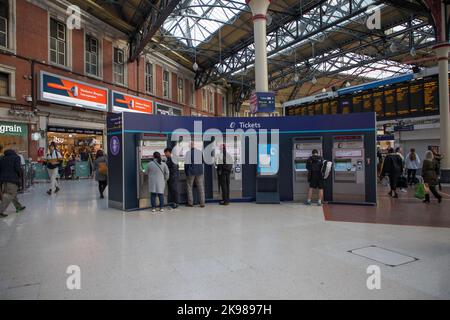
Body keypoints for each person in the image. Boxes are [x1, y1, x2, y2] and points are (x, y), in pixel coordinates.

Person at [0, 149, 26, 217]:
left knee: (12, 194)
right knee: (9, 195)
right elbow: (17, 168)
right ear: (14, 152)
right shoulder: (16, 157)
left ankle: (18, 207)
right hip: (12, 179)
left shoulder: (2, 158)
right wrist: (20, 175)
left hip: (3, 180)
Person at [184, 141, 205, 208]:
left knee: (189, 187)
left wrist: (186, 172)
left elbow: (186, 164)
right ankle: (202, 203)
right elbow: (202, 162)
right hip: (199, 171)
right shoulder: (199, 152)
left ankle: (190, 203)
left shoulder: (188, 153)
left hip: (191, 172)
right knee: (201, 187)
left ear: (190, 146)